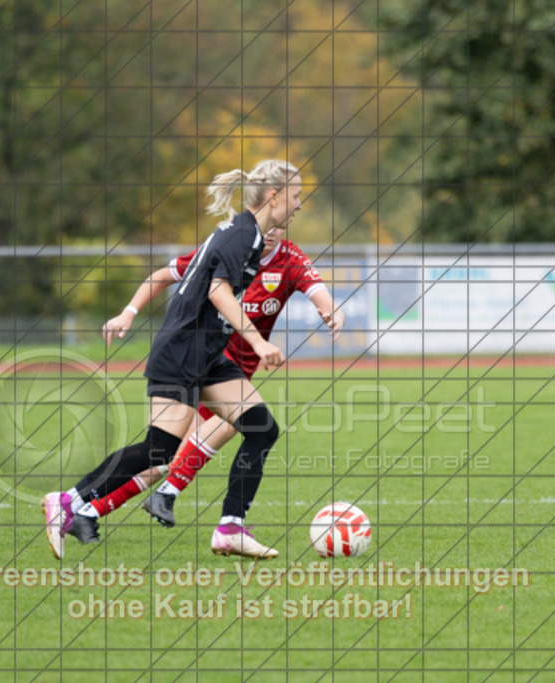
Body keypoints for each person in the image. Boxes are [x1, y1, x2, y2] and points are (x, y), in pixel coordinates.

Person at [42, 159, 302, 560]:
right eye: (296, 195)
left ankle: (230, 528)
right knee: (157, 451)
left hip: (207, 354)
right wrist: (257, 341)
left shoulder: (244, 233)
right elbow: (218, 292)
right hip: (181, 353)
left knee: (262, 427)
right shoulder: (242, 236)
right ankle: (69, 500)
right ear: (274, 197)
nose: (299, 204)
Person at [71, 222, 344, 555]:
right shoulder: (228, 251)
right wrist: (128, 312)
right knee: (220, 432)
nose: (272, 232)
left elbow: (316, 288)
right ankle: (181, 504)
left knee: (163, 455)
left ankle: (87, 509)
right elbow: (162, 275)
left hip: (234, 370)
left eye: (281, 225)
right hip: (204, 361)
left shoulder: (289, 259)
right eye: (267, 225)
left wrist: (331, 310)